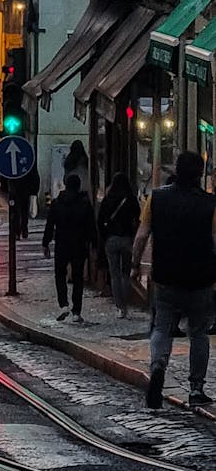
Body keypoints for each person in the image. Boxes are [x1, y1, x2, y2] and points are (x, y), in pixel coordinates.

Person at [131, 151, 216, 409]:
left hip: (166, 277)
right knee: (198, 333)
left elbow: (141, 236)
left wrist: (135, 266)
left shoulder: (156, 198)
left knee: (161, 327)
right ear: (199, 174)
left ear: (176, 170)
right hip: (200, 279)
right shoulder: (211, 204)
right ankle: (196, 388)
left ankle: (158, 365)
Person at [42, 172, 96, 324]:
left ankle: (63, 304)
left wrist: (45, 243)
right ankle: (76, 311)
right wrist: (94, 244)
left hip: (62, 244)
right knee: (78, 278)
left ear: (65, 185)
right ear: (79, 186)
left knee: (60, 274)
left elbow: (49, 225)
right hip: (79, 245)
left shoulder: (57, 203)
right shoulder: (84, 203)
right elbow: (91, 226)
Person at [97, 172, 140, 319]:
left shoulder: (108, 199)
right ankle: (127, 304)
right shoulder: (131, 199)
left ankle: (120, 307)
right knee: (125, 273)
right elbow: (137, 218)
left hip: (111, 239)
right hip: (126, 239)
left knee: (114, 274)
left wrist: (105, 236)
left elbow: (100, 219)